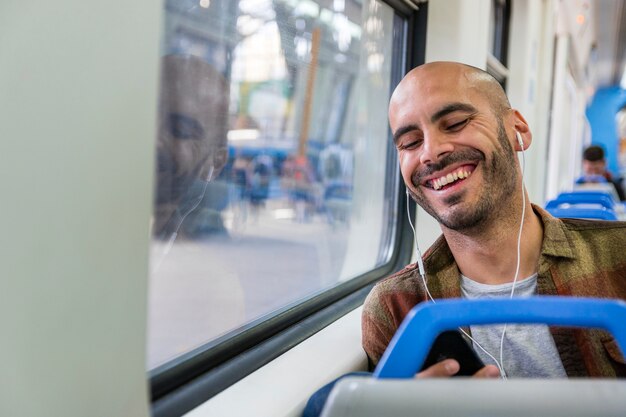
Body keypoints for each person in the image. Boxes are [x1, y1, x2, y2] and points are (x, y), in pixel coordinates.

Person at [361, 61, 626, 379]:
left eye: (456, 123)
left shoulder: (619, 255)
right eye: (410, 143)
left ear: (518, 130)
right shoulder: (393, 307)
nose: (431, 152)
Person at [153, 54, 230, 239]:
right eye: (141, 120)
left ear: (215, 163)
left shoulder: (203, 252)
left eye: (179, 129)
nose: (153, 139)